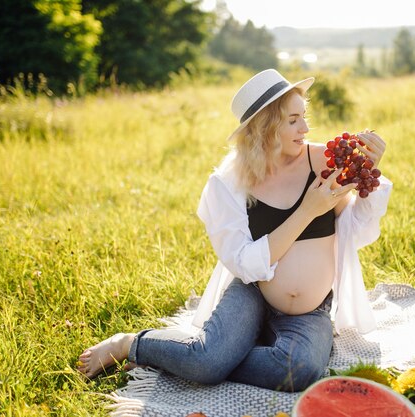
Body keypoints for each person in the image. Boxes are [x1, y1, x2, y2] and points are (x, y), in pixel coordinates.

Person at [77, 69, 392, 392]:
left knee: (298, 369)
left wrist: (369, 178)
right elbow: (243, 263)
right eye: (293, 120)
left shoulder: (322, 161)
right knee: (208, 361)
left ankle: (188, 356)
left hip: (309, 311)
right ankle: (131, 345)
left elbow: (359, 231)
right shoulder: (229, 184)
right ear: (266, 127)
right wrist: (308, 210)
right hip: (253, 293)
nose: (306, 128)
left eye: (304, 116)